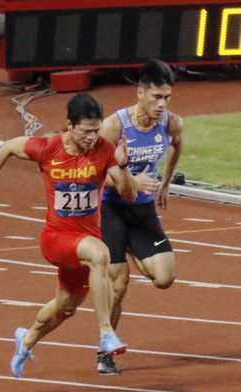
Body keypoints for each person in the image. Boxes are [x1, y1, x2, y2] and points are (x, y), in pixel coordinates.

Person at [0, 93, 137, 378]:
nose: (92, 137)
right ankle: (106, 334)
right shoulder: (48, 148)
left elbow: (129, 195)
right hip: (57, 238)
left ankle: (27, 338)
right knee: (101, 255)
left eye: (96, 131)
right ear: (70, 125)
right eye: (86, 131)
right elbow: (7, 147)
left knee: (65, 307)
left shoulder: (106, 150)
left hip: (84, 240)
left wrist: (123, 166)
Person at [97, 59, 183, 375]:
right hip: (112, 209)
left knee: (164, 278)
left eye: (167, 97)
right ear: (140, 92)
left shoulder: (171, 123)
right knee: (118, 285)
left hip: (143, 209)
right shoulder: (114, 127)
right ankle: (105, 352)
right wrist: (131, 182)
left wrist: (166, 183)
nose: (162, 104)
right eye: (156, 97)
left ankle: (135, 249)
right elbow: (93, 174)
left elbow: (177, 144)